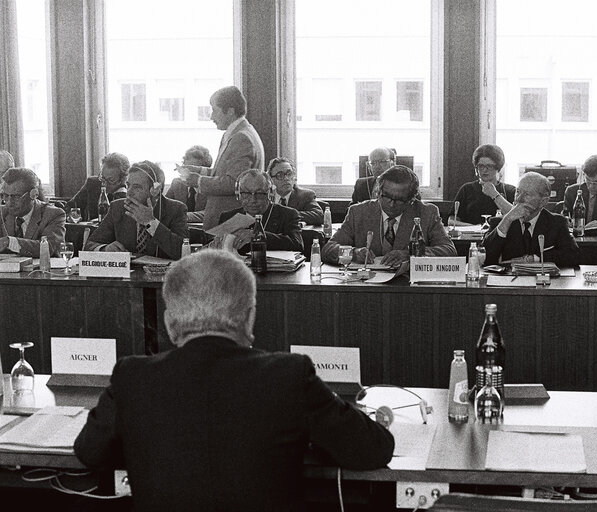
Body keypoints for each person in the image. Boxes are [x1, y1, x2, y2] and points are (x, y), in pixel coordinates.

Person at [74, 249, 394, 511]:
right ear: (250, 316)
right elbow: (373, 450)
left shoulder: (132, 377)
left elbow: (90, 453)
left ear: (170, 323)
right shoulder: (288, 375)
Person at [323, 165, 456, 266]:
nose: (391, 204)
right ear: (378, 192)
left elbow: (449, 250)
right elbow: (329, 249)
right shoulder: (358, 212)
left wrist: (411, 254)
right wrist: (353, 253)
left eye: (399, 200)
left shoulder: (427, 213)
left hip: (409, 286)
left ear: (411, 199)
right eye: (386, 197)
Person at [181, 86, 265, 229]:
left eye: (214, 110)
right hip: (224, 220)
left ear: (230, 111)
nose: (211, 117)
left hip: (229, 223)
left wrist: (199, 181)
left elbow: (234, 182)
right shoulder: (237, 134)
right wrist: (200, 170)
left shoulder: (241, 138)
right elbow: (227, 172)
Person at [85, 161, 188, 260]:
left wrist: (150, 223)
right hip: (127, 274)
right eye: (128, 185)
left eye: (136, 187)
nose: (129, 193)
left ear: (155, 190)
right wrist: (105, 249)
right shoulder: (118, 207)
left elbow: (182, 252)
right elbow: (90, 245)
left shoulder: (176, 209)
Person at [483, 171, 579, 267]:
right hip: (509, 280)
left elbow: (573, 256)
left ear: (543, 201)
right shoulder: (500, 223)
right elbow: (485, 257)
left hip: (543, 280)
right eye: (518, 191)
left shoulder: (556, 223)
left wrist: (534, 259)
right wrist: (507, 219)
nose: (519, 199)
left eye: (527, 194)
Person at [215, 169, 303, 254]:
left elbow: (297, 245)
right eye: (246, 194)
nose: (253, 200)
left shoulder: (288, 215)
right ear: (239, 195)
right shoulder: (228, 217)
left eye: (260, 194)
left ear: (270, 194)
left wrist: (258, 236)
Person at [0, 167, 65, 257]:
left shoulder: (53, 215)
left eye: (16, 197)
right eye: (5, 196)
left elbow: (49, 248)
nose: (9, 203)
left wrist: (10, 242)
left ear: (33, 194)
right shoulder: (2, 213)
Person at [450, 144, 516, 226]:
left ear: (498, 167)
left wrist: (494, 194)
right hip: (471, 237)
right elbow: (451, 221)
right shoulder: (467, 189)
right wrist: (475, 228)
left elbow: (516, 217)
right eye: (481, 166)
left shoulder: (510, 190)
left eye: (489, 166)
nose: (484, 170)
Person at [67, 152, 130, 221]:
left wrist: (121, 195)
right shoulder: (92, 183)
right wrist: (71, 216)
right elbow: (71, 206)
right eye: (102, 177)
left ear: (123, 179)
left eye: (111, 180)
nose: (104, 184)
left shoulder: (129, 191)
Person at [267, 157, 323, 225]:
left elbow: (319, 216)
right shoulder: (266, 196)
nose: (286, 178)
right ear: (271, 179)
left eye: (289, 173)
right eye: (280, 175)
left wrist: (287, 214)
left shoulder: (305, 195)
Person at [166, 145, 212, 223]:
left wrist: (183, 216)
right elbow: (165, 207)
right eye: (187, 169)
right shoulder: (176, 183)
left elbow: (210, 214)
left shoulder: (212, 187)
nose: (189, 174)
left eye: (195, 170)